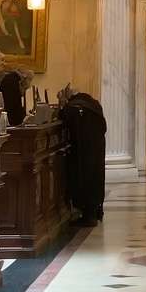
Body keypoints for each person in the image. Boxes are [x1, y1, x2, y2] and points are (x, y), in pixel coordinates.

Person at [61, 90, 106, 226]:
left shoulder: (72, 107)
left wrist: (62, 105)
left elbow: (62, 118)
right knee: (96, 177)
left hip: (81, 150)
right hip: (97, 147)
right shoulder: (94, 104)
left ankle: (87, 215)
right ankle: (94, 212)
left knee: (82, 178)